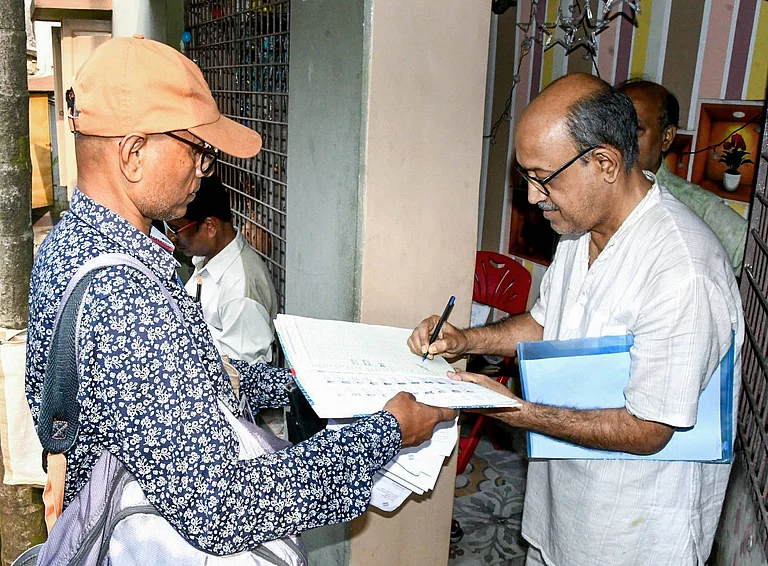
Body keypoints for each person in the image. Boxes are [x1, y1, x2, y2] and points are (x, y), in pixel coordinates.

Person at [25, 36, 454, 555]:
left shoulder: (71, 244)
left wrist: (298, 384)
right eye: (199, 151)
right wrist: (387, 433)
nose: (205, 169)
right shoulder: (126, 296)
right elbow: (224, 505)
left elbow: (166, 390)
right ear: (133, 153)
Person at [409, 74, 743, 566]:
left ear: (605, 163)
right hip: (560, 506)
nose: (530, 196)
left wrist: (514, 410)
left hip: (635, 534)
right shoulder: (576, 235)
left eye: (543, 176)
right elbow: (548, 325)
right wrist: (466, 339)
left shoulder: (682, 270)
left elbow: (650, 429)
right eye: (525, 176)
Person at [618, 79, 748, 275]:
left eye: (635, 130)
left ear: (667, 137)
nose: (619, 141)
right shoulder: (592, 195)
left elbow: (754, 257)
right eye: (614, 129)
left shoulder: (697, 207)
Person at [166, 174, 277, 365]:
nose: (171, 237)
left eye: (176, 229)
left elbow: (243, 373)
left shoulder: (240, 293)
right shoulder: (208, 257)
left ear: (209, 226)